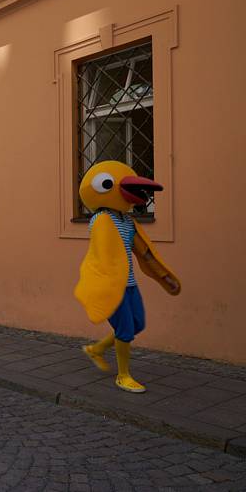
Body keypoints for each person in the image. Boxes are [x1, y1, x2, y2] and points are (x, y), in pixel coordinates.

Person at [75, 161, 180, 394]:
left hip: (130, 283)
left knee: (137, 324)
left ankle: (97, 349)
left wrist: (164, 277)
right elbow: (101, 253)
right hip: (112, 286)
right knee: (125, 331)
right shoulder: (101, 219)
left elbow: (143, 251)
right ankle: (123, 376)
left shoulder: (127, 221)